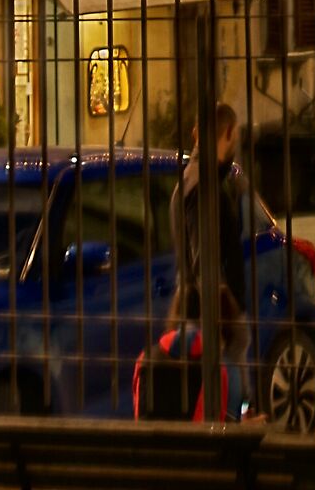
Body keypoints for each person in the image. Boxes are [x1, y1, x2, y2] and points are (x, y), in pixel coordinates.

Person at [171, 101, 250, 374]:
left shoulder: (194, 181)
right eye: (235, 136)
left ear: (195, 134)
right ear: (228, 133)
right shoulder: (203, 188)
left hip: (210, 320)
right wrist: (227, 322)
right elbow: (202, 261)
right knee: (228, 403)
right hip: (214, 324)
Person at [133, 284, 248, 422]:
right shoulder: (223, 368)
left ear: (177, 310)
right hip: (198, 442)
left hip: (151, 443)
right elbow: (228, 424)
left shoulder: (146, 358)